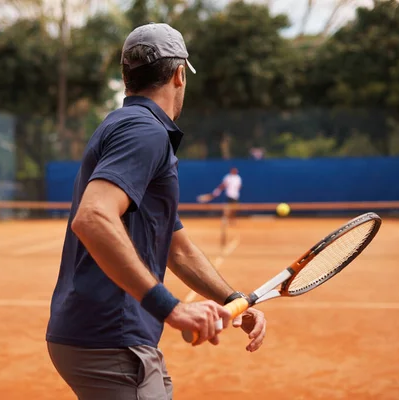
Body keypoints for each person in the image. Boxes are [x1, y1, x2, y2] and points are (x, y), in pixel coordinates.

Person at [46, 22, 266, 400]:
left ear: (126, 77)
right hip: (111, 338)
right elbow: (93, 217)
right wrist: (173, 309)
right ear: (180, 74)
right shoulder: (144, 131)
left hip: (103, 334)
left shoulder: (126, 125)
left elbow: (176, 248)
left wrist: (233, 300)